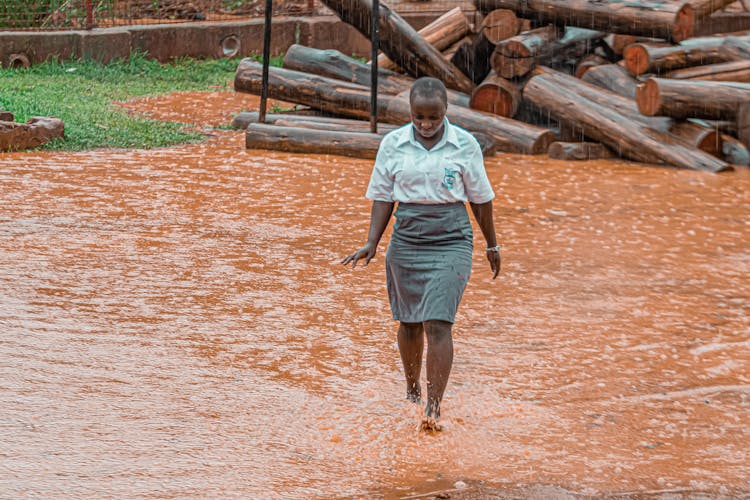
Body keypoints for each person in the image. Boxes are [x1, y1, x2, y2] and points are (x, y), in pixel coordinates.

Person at [342, 77, 500, 432]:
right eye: (419, 118)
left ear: (446, 112)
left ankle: (433, 408)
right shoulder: (393, 144)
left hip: (451, 239)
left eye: (434, 117)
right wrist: (372, 241)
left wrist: (491, 244)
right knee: (409, 321)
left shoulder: (465, 144)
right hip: (407, 239)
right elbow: (383, 195)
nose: (426, 125)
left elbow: (480, 198)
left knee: (439, 322)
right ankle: (412, 393)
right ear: (410, 113)